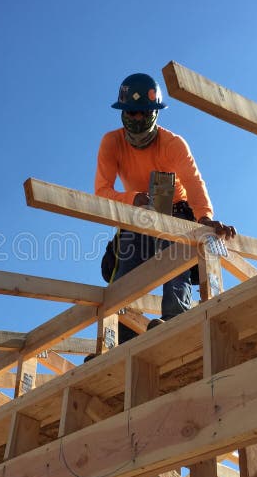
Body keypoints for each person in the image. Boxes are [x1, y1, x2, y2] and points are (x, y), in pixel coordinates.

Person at [95, 72, 236, 344]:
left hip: (175, 209)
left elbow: (194, 183)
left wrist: (205, 218)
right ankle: (122, 336)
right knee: (127, 268)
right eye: (131, 113)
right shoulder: (112, 143)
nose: (136, 119)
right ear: (123, 113)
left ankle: (176, 316)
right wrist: (134, 199)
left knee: (176, 249)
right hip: (137, 213)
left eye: (143, 113)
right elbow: (101, 194)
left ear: (154, 113)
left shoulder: (172, 144)